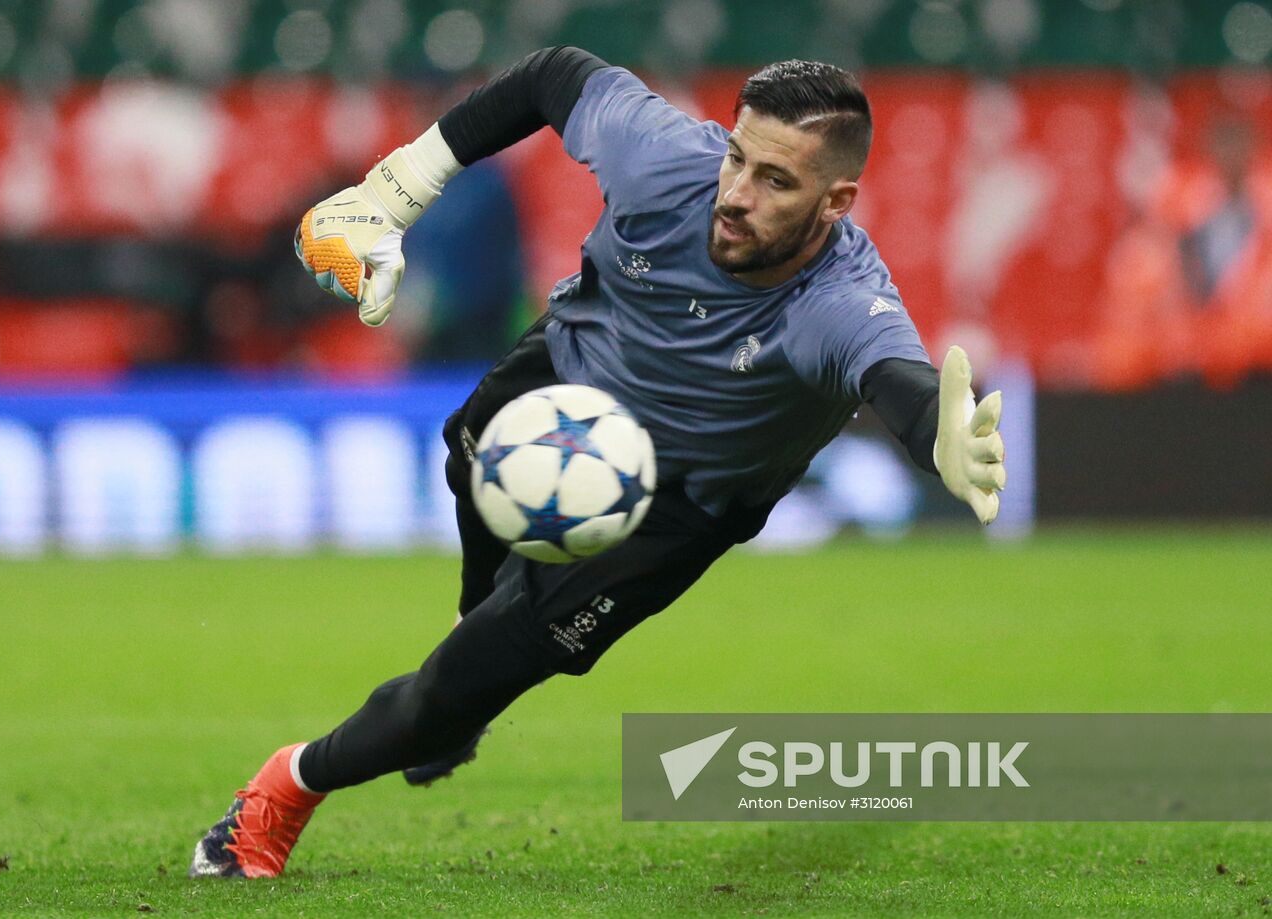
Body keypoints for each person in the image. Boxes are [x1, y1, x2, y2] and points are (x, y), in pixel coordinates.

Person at [189, 47, 1006, 879]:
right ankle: (473, 647)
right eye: (736, 158)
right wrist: (391, 195)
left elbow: (897, 380)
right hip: (566, 374)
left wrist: (938, 438)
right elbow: (551, 74)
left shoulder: (838, 302)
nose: (734, 195)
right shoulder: (662, 160)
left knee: (440, 699)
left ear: (836, 202)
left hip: (676, 504)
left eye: (775, 183)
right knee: (464, 463)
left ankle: (279, 791)